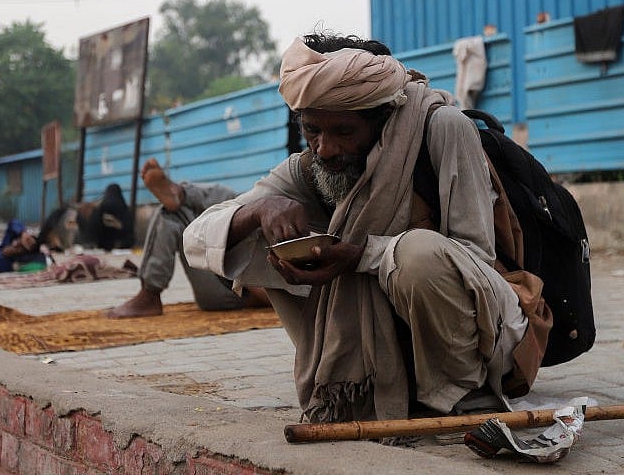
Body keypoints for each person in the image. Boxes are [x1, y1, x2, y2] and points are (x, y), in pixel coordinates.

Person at [183, 33, 550, 423]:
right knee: (258, 232)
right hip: (396, 342)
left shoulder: (443, 128)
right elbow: (196, 237)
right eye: (312, 131)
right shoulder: (310, 165)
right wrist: (258, 211)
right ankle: (357, 387)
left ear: (382, 119)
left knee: (416, 254)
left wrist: (360, 256)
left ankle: (461, 393)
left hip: (483, 333)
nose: (324, 148)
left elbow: (474, 258)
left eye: (343, 132)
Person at [107, 159, 269, 318]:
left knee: (174, 212)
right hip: (225, 267)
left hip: (234, 292)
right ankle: (182, 193)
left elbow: (270, 290)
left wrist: (238, 261)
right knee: (237, 202)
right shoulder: (287, 192)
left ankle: (150, 293)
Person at [89, 183, 135, 251]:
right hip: (121, 247)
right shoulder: (124, 209)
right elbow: (129, 231)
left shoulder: (101, 208)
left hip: (103, 246)